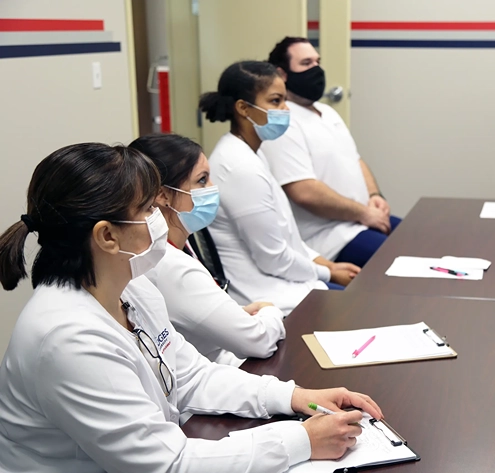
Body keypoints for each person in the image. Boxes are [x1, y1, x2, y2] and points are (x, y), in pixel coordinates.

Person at [0, 142, 382, 472]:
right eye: (148, 208)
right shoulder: (67, 340)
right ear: (107, 236)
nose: (160, 218)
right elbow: (167, 464)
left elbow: (193, 376)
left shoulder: (133, 290)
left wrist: (295, 396)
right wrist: (300, 441)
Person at [199, 61, 360, 315]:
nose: (285, 110)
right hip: (270, 299)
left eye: (284, 100)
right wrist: (328, 272)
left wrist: (329, 266)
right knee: (360, 308)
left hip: (286, 285)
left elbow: (288, 237)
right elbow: (273, 257)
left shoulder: (251, 153)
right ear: (243, 108)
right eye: (275, 101)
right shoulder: (239, 167)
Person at [129, 133, 285, 368]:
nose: (213, 189)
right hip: (216, 377)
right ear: (163, 195)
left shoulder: (178, 246)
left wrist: (236, 314)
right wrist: (270, 311)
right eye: (202, 180)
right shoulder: (170, 265)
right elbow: (258, 341)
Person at [263, 37, 401, 268]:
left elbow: (355, 159)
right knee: (400, 257)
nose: (316, 69)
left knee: (418, 237)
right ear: (282, 73)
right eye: (306, 63)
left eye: (318, 61)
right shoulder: (282, 122)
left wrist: (375, 196)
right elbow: (304, 192)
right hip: (329, 238)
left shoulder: (327, 112)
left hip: (361, 220)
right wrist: (364, 214)